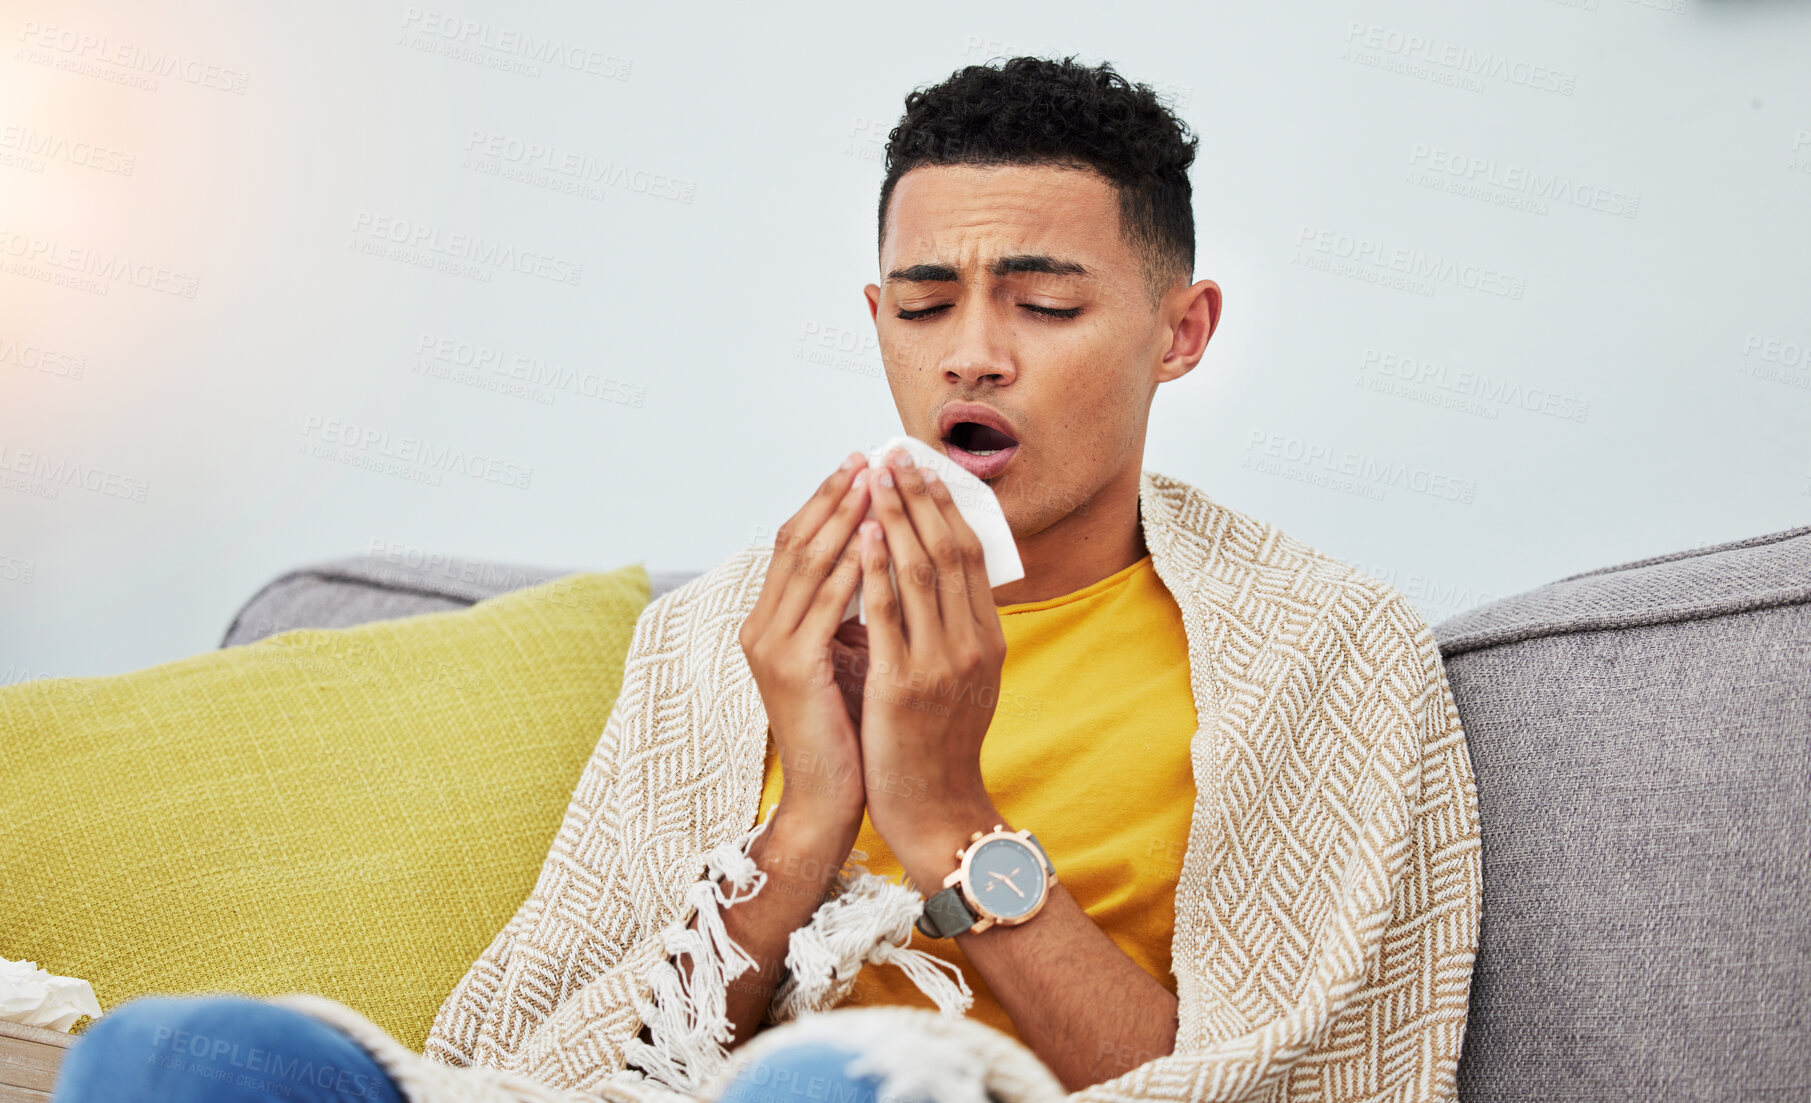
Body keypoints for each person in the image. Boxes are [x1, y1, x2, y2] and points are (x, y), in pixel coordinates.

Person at [58, 55, 1482, 1103]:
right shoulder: (718, 641)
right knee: (175, 1054)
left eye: (1045, 304)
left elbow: (1292, 1081)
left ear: (1182, 332)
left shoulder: (1320, 651)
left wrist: (947, 823)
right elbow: (543, 1059)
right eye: (925, 305)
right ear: (879, 319)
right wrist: (807, 822)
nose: (971, 353)